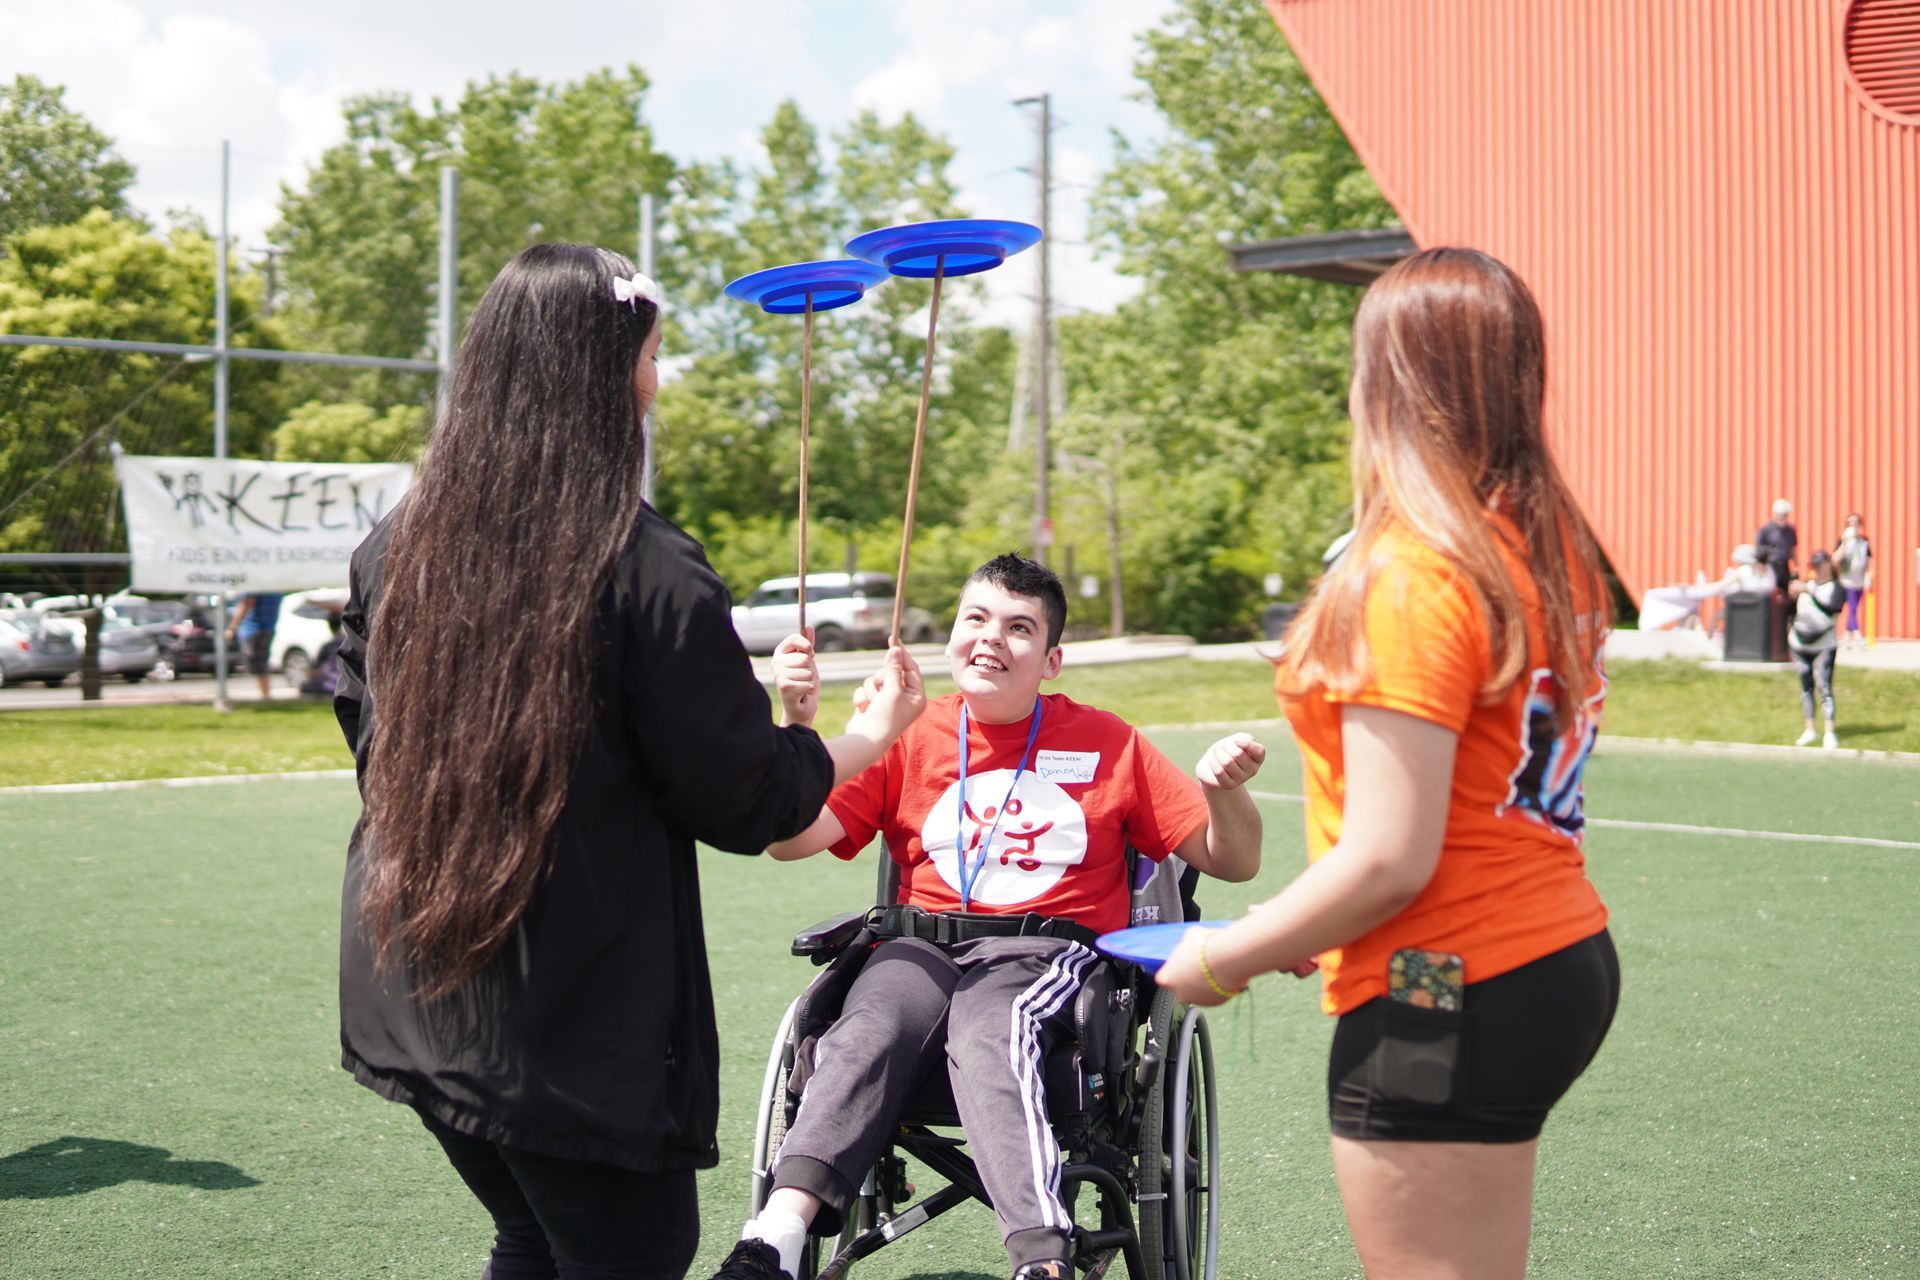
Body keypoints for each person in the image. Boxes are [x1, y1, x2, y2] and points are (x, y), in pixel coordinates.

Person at [331, 243, 926, 1280]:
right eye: (652, 353)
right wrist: (864, 737)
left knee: (532, 1232)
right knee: (632, 1253)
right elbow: (748, 797)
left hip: (416, 978)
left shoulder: (401, 542)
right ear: (605, 374)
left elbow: (363, 713)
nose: (657, 380)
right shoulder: (644, 566)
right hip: (563, 1011)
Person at [1156, 248, 1619, 1280]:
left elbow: (1390, 858)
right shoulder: (1544, 548)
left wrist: (1219, 958)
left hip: (1440, 984)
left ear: (1389, 382)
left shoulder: (1413, 570)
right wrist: (1304, 922)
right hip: (1551, 956)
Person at [709, 554, 1267, 1280]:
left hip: (1043, 954)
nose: (990, 639)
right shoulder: (907, 735)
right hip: (919, 950)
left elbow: (1234, 861)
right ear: (950, 642)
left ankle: (1042, 1259)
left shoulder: (1110, 744)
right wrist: (798, 726)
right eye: (976, 619)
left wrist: (1224, 791)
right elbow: (790, 841)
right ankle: (774, 1239)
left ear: (1052, 659)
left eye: (1018, 628)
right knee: (867, 1023)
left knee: (992, 1024)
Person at [1788, 550, 1846, 748]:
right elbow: (1791, 612)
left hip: (1823, 644)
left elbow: (1830, 610)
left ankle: (1829, 732)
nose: (1817, 569)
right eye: (1814, 566)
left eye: (1820, 565)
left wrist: (1809, 591)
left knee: (1824, 686)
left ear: (1829, 565)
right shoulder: (1807, 586)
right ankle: (1810, 729)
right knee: (1806, 687)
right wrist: (1792, 596)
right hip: (1800, 643)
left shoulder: (1836, 589)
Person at [226, 591, 283, 698]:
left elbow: (247, 604)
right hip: (268, 628)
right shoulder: (276, 587)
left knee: (257, 664)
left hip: (253, 629)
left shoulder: (255, 587)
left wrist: (232, 627)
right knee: (261, 663)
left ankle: (265, 695)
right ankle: (265, 693)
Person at [1835, 514, 1873, 648]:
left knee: (1854, 608)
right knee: (1852, 607)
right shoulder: (1842, 541)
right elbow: (1835, 559)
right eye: (1850, 523)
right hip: (1846, 579)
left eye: (1856, 523)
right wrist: (1844, 542)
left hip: (1859, 579)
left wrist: (1868, 576)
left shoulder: (1864, 542)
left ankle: (1846, 636)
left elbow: (1868, 560)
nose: (1853, 526)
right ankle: (1857, 635)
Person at [1756, 498, 1798, 592]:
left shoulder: (1790, 530)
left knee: (1785, 591)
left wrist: (1796, 566)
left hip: (1784, 566)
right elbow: (1758, 551)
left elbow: (1792, 550)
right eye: (1779, 515)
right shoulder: (1766, 530)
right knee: (1772, 591)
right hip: (1771, 566)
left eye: (1784, 515)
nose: (1781, 518)